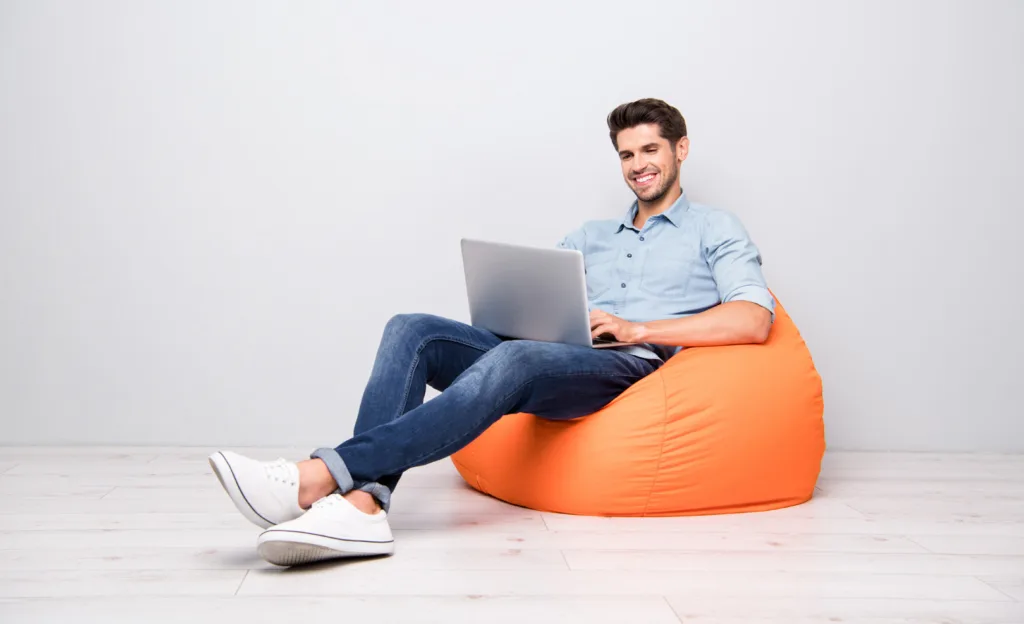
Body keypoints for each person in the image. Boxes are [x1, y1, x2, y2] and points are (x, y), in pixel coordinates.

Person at [208, 98, 775, 567]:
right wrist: (517, 316)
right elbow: (543, 295)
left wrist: (636, 327)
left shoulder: (714, 227)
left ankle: (317, 476)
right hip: (552, 348)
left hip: (628, 365)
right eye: (627, 154)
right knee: (413, 330)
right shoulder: (592, 233)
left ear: (681, 149)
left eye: (650, 149)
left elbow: (754, 318)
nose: (637, 165)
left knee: (518, 360)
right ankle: (363, 505)